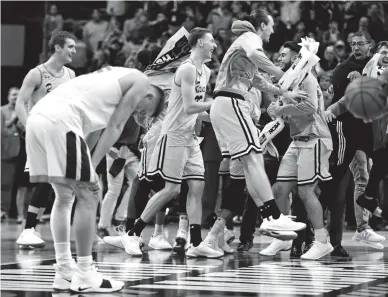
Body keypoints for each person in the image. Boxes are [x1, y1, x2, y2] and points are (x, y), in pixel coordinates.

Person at [25, 66, 164, 292]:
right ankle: (85, 272)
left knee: (64, 195)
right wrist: (91, 167)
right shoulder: (140, 81)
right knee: (90, 194)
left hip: (38, 119)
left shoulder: (109, 81)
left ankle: (64, 272)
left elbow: (94, 132)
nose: (140, 116)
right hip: (61, 120)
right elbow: (115, 126)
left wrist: (88, 163)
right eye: (145, 112)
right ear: (149, 97)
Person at [203, 9, 308, 251]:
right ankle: (272, 216)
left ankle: (265, 218)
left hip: (225, 105)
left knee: (248, 167)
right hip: (232, 104)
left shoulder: (242, 49)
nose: (272, 30)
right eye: (270, 26)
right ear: (261, 25)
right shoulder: (251, 38)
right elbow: (256, 56)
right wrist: (283, 74)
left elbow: (256, 80)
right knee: (255, 159)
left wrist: (283, 91)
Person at [118, 27, 223, 258]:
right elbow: (189, 107)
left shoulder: (205, 71)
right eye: (211, 40)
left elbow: (198, 112)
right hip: (173, 134)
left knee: (197, 188)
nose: (215, 44)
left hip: (189, 136)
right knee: (171, 190)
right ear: (198, 43)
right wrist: (217, 103)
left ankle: (195, 243)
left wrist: (220, 114)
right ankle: (133, 233)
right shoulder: (186, 69)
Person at [259, 41, 334, 260]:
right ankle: (284, 239)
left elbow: (310, 107)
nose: (279, 58)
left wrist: (281, 107)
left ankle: (322, 241)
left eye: (283, 55)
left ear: (295, 59)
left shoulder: (307, 77)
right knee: (279, 190)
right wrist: (275, 111)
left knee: (305, 192)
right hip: (296, 141)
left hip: (315, 138)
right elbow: (287, 115)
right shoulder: (287, 82)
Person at [321, 31, 383, 256]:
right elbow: (341, 102)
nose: (356, 47)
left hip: (370, 132)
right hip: (345, 130)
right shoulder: (342, 69)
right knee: (339, 182)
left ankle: (362, 224)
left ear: (370, 46)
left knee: (369, 175)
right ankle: (327, 233)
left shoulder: (376, 68)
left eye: (360, 43)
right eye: (353, 43)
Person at [15, 31, 76, 248]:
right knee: (46, 179)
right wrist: (30, 125)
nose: (74, 51)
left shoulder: (70, 74)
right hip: (40, 132)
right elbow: (19, 103)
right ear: (57, 47)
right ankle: (29, 229)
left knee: (54, 183)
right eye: (70, 46)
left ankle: (31, 229)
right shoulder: (36, 73)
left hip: (61, 133)